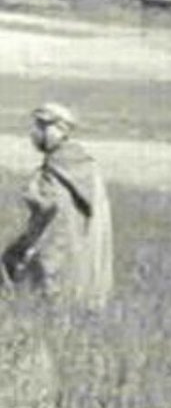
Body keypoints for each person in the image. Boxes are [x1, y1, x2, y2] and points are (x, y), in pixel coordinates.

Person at [2, 103, 113, 309]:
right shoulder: (86, 164)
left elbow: (45, 207)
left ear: (57, 129)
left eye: (41, 126)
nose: (35, 133)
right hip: (84, 262)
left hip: (57, 257)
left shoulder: (56, 166)